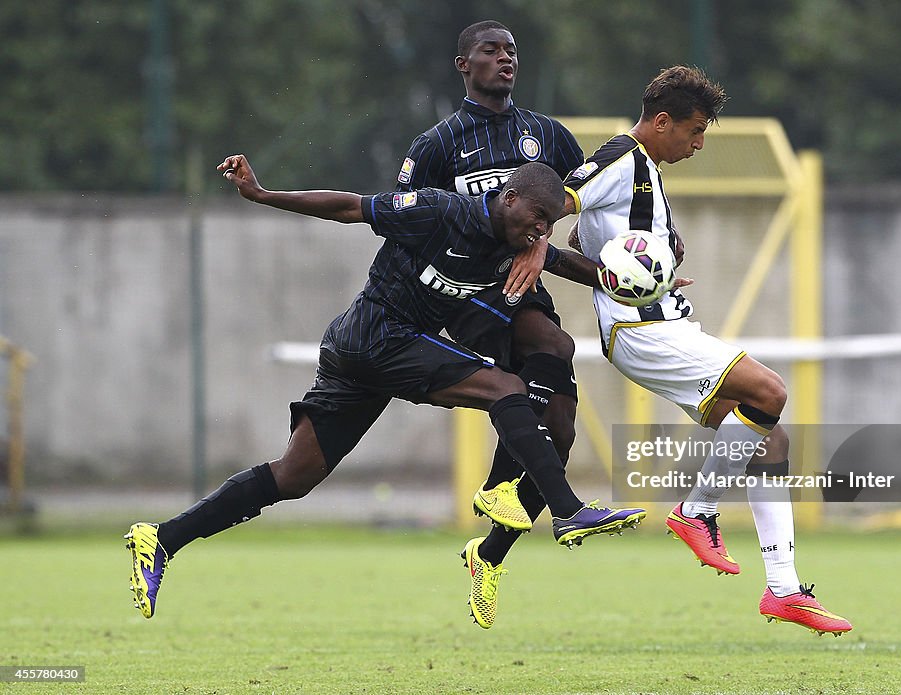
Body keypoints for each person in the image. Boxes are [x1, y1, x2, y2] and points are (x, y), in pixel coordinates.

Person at [123, 157, 646, 620]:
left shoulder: (515, 238)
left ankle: (161, 540)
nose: (541, 230)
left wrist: (637, 280)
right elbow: (351, 207)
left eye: (550, 223)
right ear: (507, 196)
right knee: (505, 387)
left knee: (293, 475)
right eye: (537, 217)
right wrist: (264, 195)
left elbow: (568, 264)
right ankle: (569, 510)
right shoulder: (440, 211)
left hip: (370, 352)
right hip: (375, 336)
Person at [508, 65, 853, 636]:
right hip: (641, 331)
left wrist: (656, 272)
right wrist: (536, 245)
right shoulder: (621, 158)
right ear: (662, 121)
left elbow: (601, 244)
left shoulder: (646, 171)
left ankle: (785, 589)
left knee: (770, 437)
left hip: (663, 318)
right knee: (771, 391)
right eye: (694, 132)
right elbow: (553, 202)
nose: (697, 145)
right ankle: (698, 510)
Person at [394, 20, 588, 630]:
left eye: (512, 51)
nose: (505, 59)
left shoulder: (547, 135)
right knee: (555, 345)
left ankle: (489, 550)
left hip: (523, 288)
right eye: (491, 51)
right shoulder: (437, 145)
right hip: (469, 296)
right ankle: (512, 496)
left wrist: (649, 242)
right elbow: (407, 220)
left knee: (558, 430)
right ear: (463, 65)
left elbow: (585, 196)